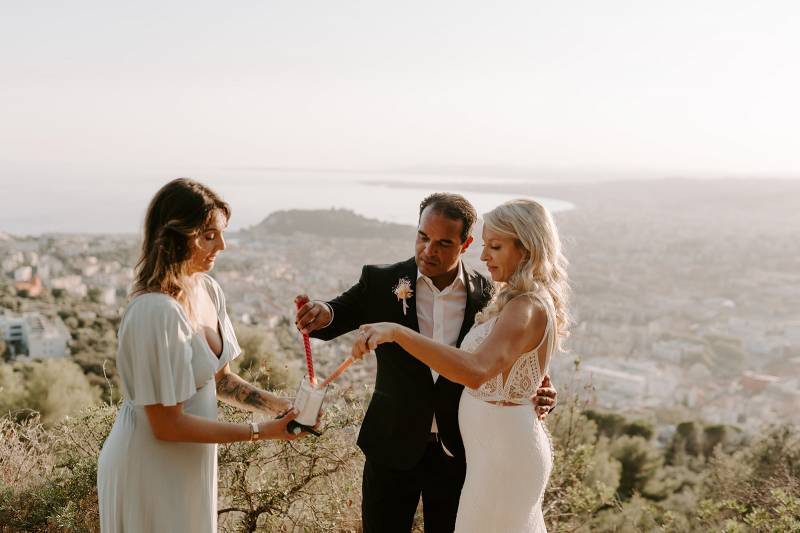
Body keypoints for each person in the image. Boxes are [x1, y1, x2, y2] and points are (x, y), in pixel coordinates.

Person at [295, 193, 557, 533]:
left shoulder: (490, 293)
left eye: (443, 242)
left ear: (465, 244)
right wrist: (320, 311)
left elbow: (512, 354)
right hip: (392, 443)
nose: (428, 250)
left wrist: (539, 388)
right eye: (422, 237)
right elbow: (337, 312)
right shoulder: (379, 281)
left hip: (462, 451)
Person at [98, 178, 311, 533]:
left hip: (191, 460)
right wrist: (262, 432)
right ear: (174, 235)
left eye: (221, 234)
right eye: (209, 235)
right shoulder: (154, 311)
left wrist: (279, 406)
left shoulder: (208, 289)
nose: (222, 245)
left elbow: (221, 379)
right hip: (149, 463)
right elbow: (166, 425)